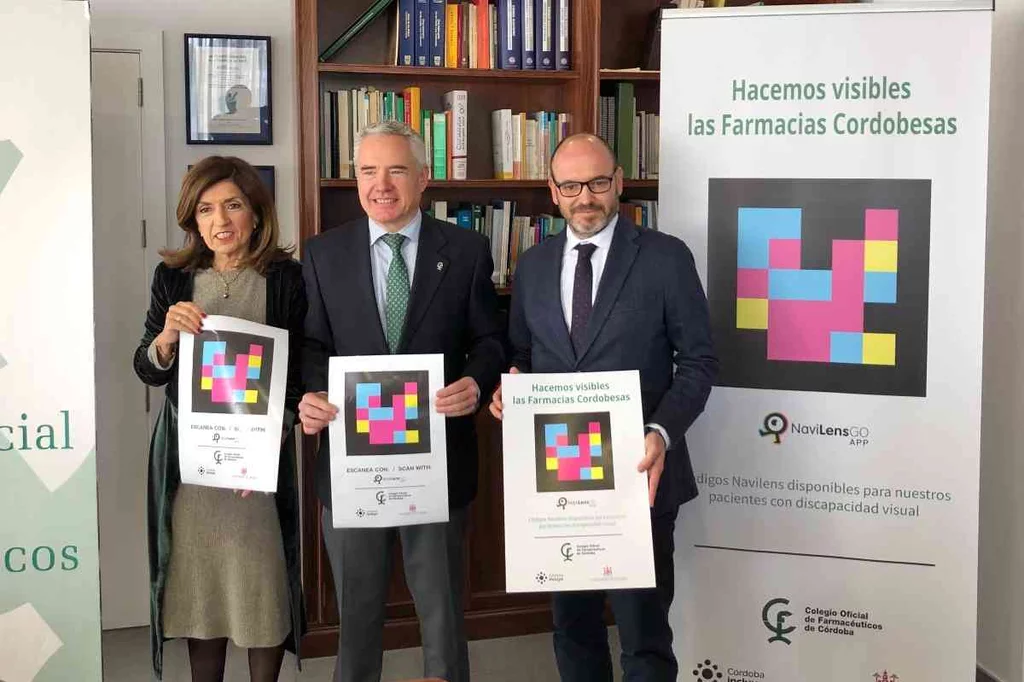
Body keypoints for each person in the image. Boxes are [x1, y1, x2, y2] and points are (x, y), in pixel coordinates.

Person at [489, 134, 718, 682]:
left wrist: (662, 431)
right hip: (559, 479)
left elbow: (700, 362)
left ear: (618, 183)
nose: (584, 197)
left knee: (643, 635)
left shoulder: (665, 257)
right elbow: (522, 353)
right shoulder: (536, 264)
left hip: (640, 472)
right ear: (553, 192)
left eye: (596, 183)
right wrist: (511, 390)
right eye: (570, 185)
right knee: (573, 628)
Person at [298, 120, 505, 682]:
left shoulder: (465, 250)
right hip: (352, 463)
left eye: (396, 170)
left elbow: (490, 339)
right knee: (357, 615)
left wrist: (477, 382)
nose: (380, 184)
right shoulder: (322, 254)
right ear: (355, 178)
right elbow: (312, 345)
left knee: (442, 615)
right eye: (368, 171)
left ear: (424, 177)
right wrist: (310, 394)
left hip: (435, 463)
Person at [133, 156, 307, 682]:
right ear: (192, 218)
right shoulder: (173, 278)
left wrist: (266, 445)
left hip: (259, 464)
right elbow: (148, 369)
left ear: (255, 212)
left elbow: (298, 374)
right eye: (206, 209)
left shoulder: (286, 279)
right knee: (198, 591)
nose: (220, 220)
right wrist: (165, 338)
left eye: (233, 204)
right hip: (192, 467)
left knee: (262, 590)